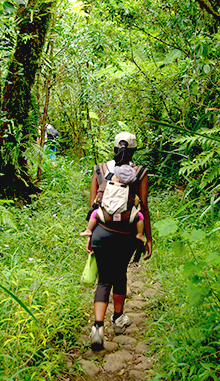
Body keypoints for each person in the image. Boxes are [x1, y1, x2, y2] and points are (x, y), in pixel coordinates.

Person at [83, 132, 153, 351]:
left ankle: (97, 327)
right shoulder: (139, 172)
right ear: (133, 151)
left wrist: (90, 234)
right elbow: (144, 207)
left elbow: (93, 206)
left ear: (114, 149)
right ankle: (119, 319)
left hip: (101, 232)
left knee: (103, 280)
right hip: (127, 235)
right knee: (120, 274)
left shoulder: (99, 170)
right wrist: (148, 238)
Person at [79, 164, 147, 244]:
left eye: (114, 175)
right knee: (140, 216)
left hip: (105, 217)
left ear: (117, 180)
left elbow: (97, 200)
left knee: (94, 214)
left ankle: (88, 230)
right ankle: (140, 234)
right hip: (126, 218)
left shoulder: (107, 187)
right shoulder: (130, 190)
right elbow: (136, 202)